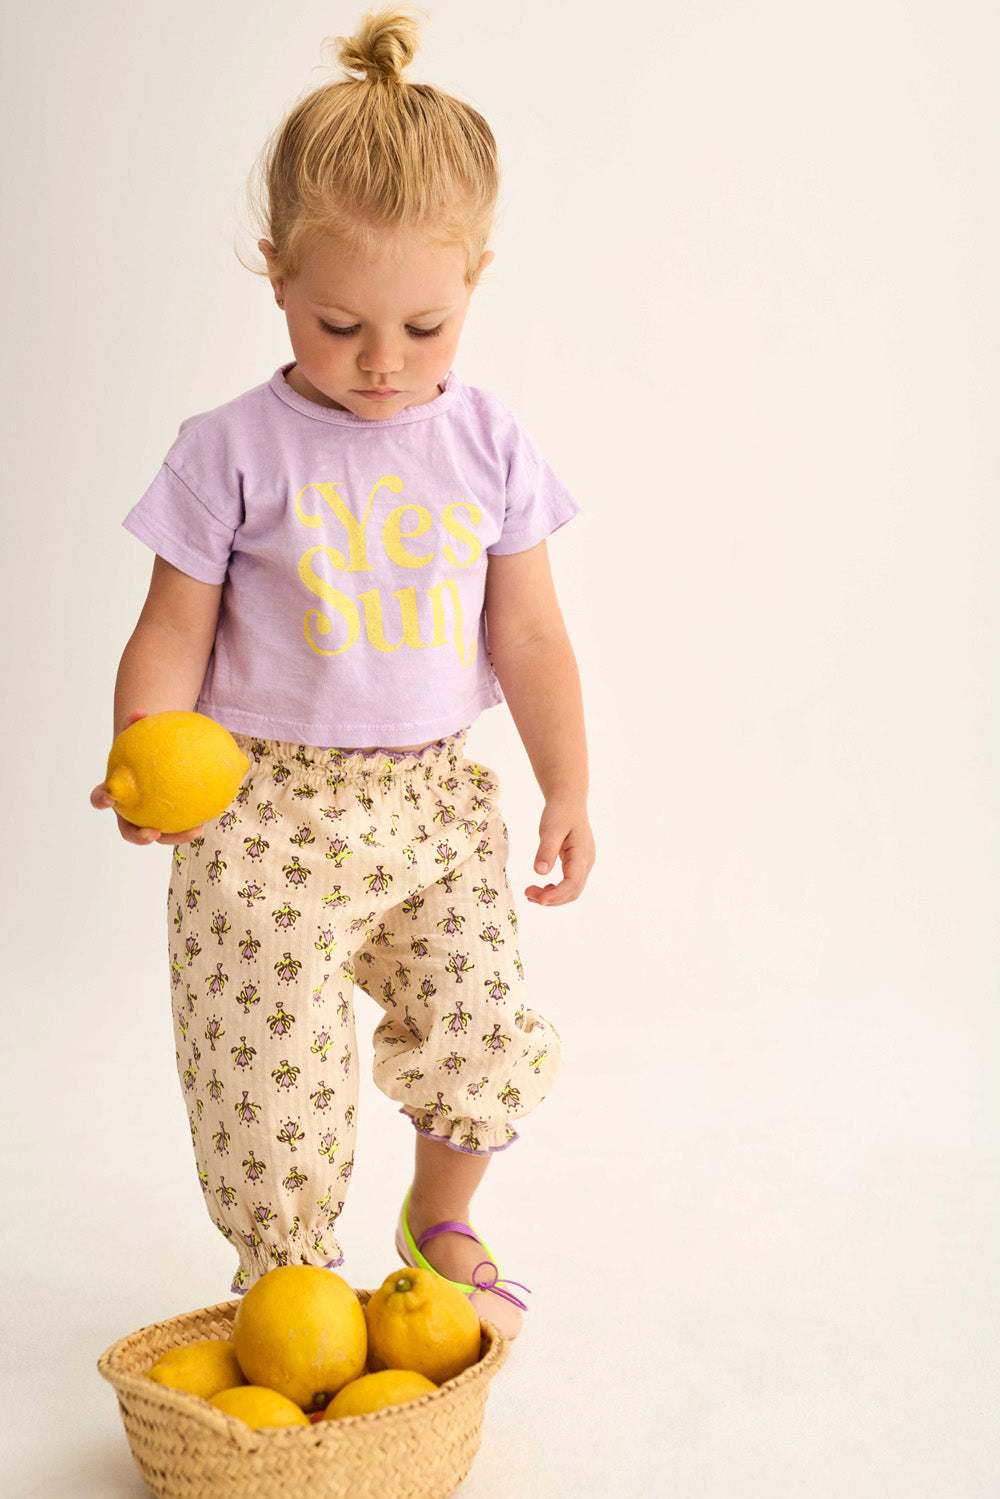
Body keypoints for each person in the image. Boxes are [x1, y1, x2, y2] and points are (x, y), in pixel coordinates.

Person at [91, 6, 594, 1339]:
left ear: (477, 279)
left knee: (483, 1019)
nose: (382, 364)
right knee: (268, 1075)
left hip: (434, 804)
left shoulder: (488, 446)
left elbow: (531, 636)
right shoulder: (231, 448)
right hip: (262, 810)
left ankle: (443, 1216)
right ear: (273, 277)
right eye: (338, 323)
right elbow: (171, 626)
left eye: (424, 327)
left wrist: (568, 786)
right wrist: (149, 747)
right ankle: (294, 1281)